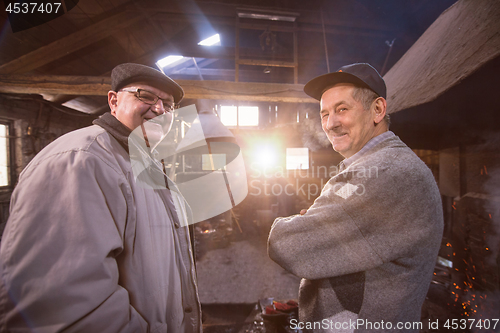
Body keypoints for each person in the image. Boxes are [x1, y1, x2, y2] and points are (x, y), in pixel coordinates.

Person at [0, 63, 201, 332]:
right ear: (113, 101)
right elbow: (65, 308)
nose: (159, 109)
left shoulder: (146, 165)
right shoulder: (81, 161)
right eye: (146, 96)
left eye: (168, 104)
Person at [268, 63, 443, 332]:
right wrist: (320, 222)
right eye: (324, 113)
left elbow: (288, 245)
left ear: (377, 110)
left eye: (342, 109)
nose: (330, 123)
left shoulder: (386, 172)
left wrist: (298, 226)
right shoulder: (371, 165)